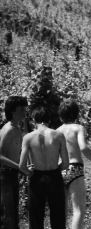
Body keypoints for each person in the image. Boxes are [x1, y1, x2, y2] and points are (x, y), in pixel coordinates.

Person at [56, 100, 91, 229]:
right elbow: (83, 148)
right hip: (75, 168)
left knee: (62, 211)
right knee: (78, 210)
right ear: (76, 114)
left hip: (60, 169)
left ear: (60, 115)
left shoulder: (56, 131)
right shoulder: (78, 128)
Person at [19, 106, 70, 229]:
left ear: (34, 120)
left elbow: (22, 166)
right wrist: (56, 170)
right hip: (54, 176)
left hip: (37, 176)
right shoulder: (59, 135)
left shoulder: (28, 137)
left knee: (36, 217)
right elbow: (66, 163)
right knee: (58, 216)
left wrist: (29, 171)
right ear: (49, 120)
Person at [0, 96, 28, 229]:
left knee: (13, 216)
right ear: (12, 111)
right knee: (8, 217)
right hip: (4, 175)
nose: (25, 112)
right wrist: (19, 167)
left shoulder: (17, 128)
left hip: (12, 174)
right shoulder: (9, 129)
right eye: (21, 109)